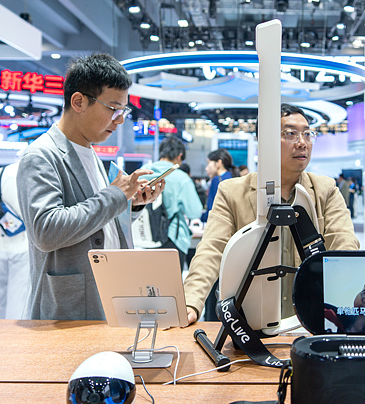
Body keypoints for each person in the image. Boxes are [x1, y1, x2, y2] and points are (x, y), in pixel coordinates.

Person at [17, 53, 164, 320]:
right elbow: (45, 231)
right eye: (113, 108)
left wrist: (130, 204)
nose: (119, 120)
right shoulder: (41, 156)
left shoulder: (91, 153)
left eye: (123, 111)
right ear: (78, 102)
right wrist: (114, 196)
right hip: (67, 309)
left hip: (104, 298)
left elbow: (97, 220)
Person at [184, 104, 360, 324]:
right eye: (290, 134)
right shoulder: (232, 192)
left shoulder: (325, 190)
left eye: (307, 133)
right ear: (264, 141)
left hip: (308, 323)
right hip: (247, 325)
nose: (302, 142)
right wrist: (191, 302)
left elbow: (344, 244)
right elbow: (211, 250)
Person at [141, 135, 203, 268]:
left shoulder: (142, 172)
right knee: (170, 287)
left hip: (143, 239)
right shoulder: (181, 178)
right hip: (172, 238)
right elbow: (194, 212)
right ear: (179, 156)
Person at [0, 162, 31, 320]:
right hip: (21, 239)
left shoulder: (1, 172)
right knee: (18, 292)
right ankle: (10, 335)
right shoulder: (32, 172)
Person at [200, 149, 237, 222]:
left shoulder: (217, 180)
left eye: (208, 163)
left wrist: (201, 217)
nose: (206, 168)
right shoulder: (234, 176)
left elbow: (212, 211)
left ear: (218, 163)